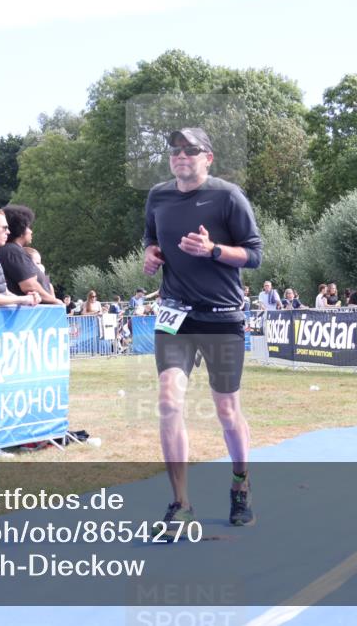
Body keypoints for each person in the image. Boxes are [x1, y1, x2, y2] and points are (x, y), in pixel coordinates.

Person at [142, 127, 263, 532]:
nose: (181, 156)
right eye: (175, 150)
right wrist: (151, 254)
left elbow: (254, 255)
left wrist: (212, 250)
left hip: (222, 317)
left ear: (208, 157)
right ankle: (181, 503)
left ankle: (240, 484)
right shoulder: (157, 196)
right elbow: (150, 236)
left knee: (227, 410)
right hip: (175, 315)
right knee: (168, 400)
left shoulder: (228, 196)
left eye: (190, 150)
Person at [0, 204, 61, 304]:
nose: (31, 231)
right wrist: (55, 301)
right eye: (28, 227)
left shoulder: (8, 250)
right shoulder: (13, 251)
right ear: (20, 229)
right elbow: (29, 285)